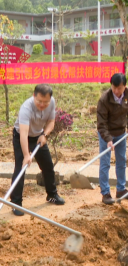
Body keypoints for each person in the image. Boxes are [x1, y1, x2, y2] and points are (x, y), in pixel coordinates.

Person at [11, 84, 65, 216]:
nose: (42, 104)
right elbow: (23, 134)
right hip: (21, 137)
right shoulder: (26, 108)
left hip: (38, 136)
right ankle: (15, 203)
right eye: (39, 101)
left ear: (50, 99)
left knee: (48, 165)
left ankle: (52, 195)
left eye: (45, 102)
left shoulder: (51, 102)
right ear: (34, 96)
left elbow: (51, 121)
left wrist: (44, 135)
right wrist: (26, 155)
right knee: (21, 168)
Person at [97, 73, 128, 205]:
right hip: (106, 133)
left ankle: (121, 189)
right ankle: (105, 193)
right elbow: (101, 123)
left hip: (120, 133)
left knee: (121, 161)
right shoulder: (104, 99)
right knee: (105, 163)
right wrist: (108, 139)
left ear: (125, 86)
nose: (116, 91)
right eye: (114, 87)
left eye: (119, 88)